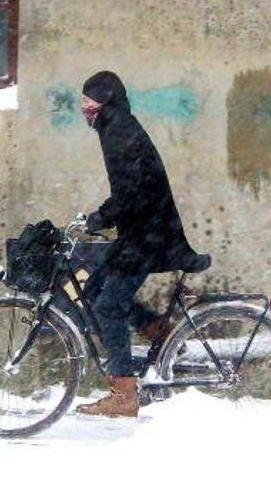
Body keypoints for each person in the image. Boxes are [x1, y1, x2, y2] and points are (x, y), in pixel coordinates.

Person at [75, 71, 207, 418]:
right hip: (145, 230)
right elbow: (129, 187)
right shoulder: (117, 126)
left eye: (88, 101)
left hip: (147, 234)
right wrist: (103, 214)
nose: (84, 108)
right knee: (95, 291)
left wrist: (102, 216)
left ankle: (124, 393)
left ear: (104, 101)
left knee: (107, 307)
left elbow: (131, 191)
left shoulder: (117, 130)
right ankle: (158, 333)